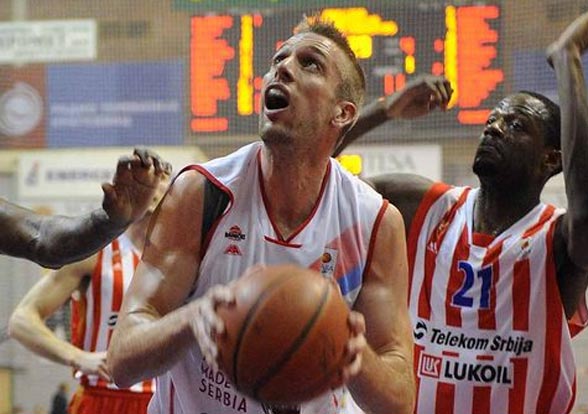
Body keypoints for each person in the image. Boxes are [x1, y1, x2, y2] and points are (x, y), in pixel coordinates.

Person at [107, 15, 415, 414]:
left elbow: (400, 400)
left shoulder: (374, 222)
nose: (282, 68)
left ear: (342, 113)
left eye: (310, 64)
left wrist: (351, 351)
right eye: (278, 60)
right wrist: (195, 317)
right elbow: (122, 361)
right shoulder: (203, 192)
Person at [334, 1, 588, 413]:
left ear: (551, 159)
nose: (495, 128)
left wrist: (568, 59)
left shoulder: (554, 241)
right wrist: (385, 110)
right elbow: (317, 170)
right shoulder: (424, 206)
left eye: (516, 125)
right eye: (492, 121)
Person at [8, 173, 170, 414]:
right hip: (102, 397)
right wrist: (78, 357)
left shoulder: (183, 259)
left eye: (162, 175)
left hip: (161, 399)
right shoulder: (96, 252)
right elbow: (21, 321)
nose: (154, 184)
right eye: (145, 176)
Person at [0, 147, 171, 269]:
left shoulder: (174, 256)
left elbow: (43, 237)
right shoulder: (102, 258)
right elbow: (29, 310)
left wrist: (111, 221)